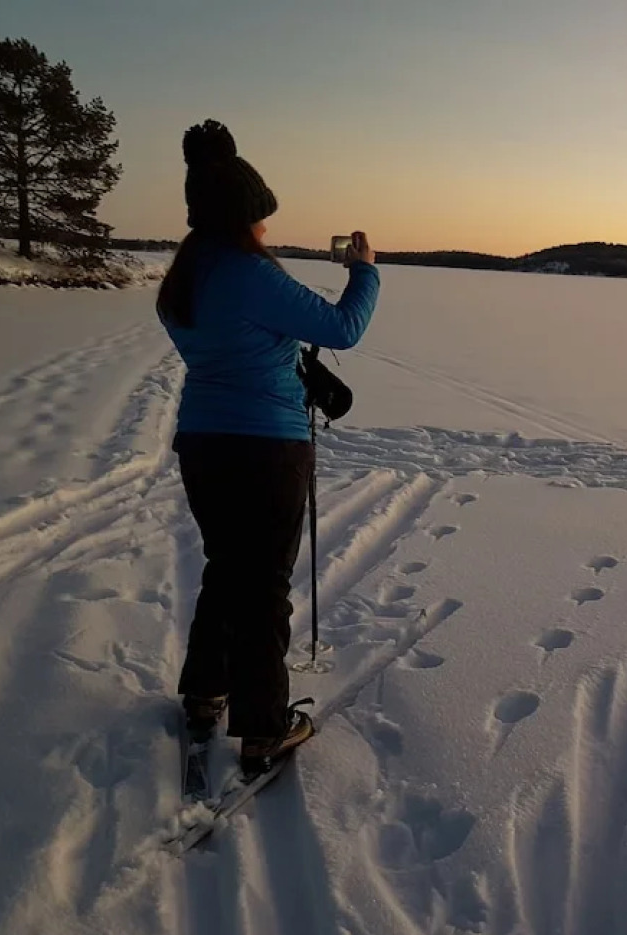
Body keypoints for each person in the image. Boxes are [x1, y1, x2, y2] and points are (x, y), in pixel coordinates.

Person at [156, 119, 380, 777]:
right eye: (261, 218)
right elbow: (343, 328)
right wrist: (365, 273)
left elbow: (240, 348)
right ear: (239, 219)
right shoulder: (246, 274)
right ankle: (262, 728)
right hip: (266, 450)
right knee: (263, 588)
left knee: (227, 570)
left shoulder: (186, 278)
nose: (266, 231)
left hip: (204, 443)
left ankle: (204, 694)